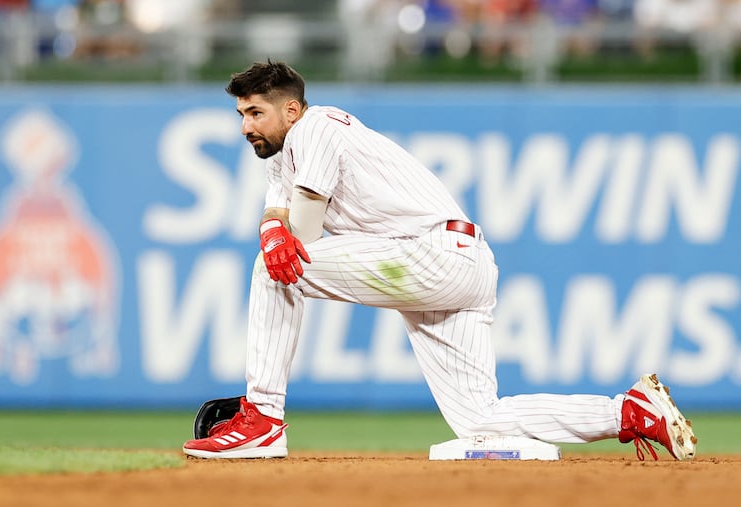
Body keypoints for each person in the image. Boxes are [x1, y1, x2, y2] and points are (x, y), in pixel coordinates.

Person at [182, 61, 697, 461]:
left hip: (429, 253)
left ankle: (263, 417)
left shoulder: (315, 128)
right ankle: (629, 411)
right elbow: (278, 214)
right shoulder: (285, 155)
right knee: (481, 420)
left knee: (274, 267)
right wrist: (274, 225)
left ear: (291, 110)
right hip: (458, 264)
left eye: (256, 113)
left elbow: (305, 229)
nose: (246, 125)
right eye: (241, 115)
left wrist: (276, 232)